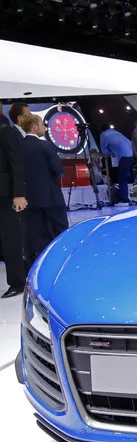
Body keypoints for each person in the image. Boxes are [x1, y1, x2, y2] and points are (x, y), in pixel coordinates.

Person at [18, 113, 68, 268]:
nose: (45, 128)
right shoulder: (45, 146)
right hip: (51, 197)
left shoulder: (18, 147)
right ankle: (63, 262)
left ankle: (40, 266)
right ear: (34, 127)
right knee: (60, 231)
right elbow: (58, 169)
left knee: (36, 233)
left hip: (29, 198)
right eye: (42, 125)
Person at [0, 102, 29, 298]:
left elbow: (16, 164)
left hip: (5, 193)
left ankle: (18, 282)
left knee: (10, 237)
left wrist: (18, 193)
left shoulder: (6, 131)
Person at [100, 125, 134, 206]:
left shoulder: (103, 135)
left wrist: (111, 151)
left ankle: (124, 200)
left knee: (122, 178)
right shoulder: (117, 133)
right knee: (134, 176)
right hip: (134, 153)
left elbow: (104, 151)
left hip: (124, 156)